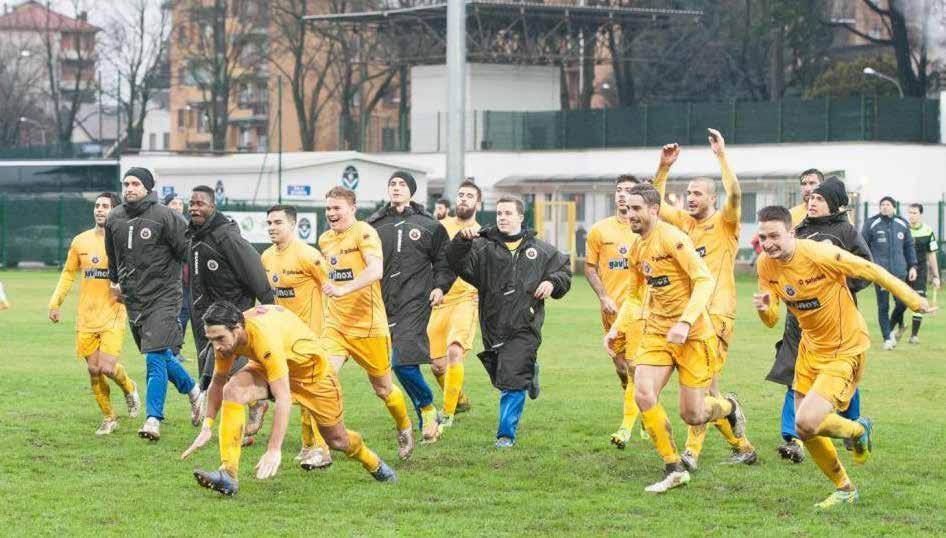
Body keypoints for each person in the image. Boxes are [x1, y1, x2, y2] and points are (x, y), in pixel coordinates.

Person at [754, 205, 933, 508]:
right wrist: (765, 308)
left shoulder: (819, 254)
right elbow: (771, 319)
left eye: (775, 236)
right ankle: (845, 487)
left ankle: (858, 430)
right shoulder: (765, 264)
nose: (768, 243)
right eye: (763, 237)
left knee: (808, 420)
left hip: (846, 347)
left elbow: (872, 270)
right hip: (810, 350)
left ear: (792, 232)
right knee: (804, 428)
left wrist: (913, 299)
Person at [604, 184, 747, 493]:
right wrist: (617, 327)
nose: (630, 215)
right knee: (643, 393)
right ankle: (674, 467)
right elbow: (635, 293)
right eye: (627, 209)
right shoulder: (637, 248)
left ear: (654, 210)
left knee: (692, 413)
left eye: (636, 208)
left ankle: (728, 407)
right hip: (658, 332)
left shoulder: (673, 239)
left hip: (694, 334)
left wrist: (685, 321)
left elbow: (704, 280)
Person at [181, 302, 395, 495]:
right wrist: (207, 425)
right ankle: (228, 473)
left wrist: (274, 450)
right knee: (233, 390)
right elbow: (218, 381)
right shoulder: (228, 338)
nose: (216, 346)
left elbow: (283, 397)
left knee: (337, 440)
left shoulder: (264, 339)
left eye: (219, 339)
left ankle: (373, 462)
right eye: (211, 339)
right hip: (275, 366)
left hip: (313, 376)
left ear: (237, 328)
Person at [651, 131, 757, 470]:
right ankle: (742, 445)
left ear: (712, 198)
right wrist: (663, 168)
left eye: (697, 193)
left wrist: (722, 156)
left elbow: (737, 195)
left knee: (701, 385)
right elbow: (654, 201)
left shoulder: (725, 223)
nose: (691, 197)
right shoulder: (684, 223)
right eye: (688, 193)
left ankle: (692, 453)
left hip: (719, 314)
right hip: (692, 317)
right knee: (706, 386)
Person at [447, 196, 571, 448]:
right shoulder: (482, 247)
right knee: (503, 377)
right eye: (499, 213)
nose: (502, 217)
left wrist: (552, 282)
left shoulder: (541, 249)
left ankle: (505, 435)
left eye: (507, 213)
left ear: (520, 217)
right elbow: (456, 263)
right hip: (493, 326)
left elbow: (564, 271)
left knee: (513, 379)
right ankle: (530, 372)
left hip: (526, 326)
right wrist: (461, 241)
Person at [766, 177, 871, 463]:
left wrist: (835, 287)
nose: (811, 202)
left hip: (835, 323)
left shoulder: (846, 232)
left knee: (841, 383)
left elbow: (865, 268)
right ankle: (793, 436)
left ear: (834, 204)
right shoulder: (798, 230)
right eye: (810, 197)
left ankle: (855, 427)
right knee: (794, 377)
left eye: (819, 198)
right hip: (799, 320)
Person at [318, 186, 415, 460]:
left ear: (352, 208)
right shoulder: (325, 240)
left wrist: (343, 290)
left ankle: (404, 425)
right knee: (321, 379)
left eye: (337, 208)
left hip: (369, 326)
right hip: (335, 325)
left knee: (383, 389)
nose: (331, 213)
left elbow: (376, 270)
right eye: (328, 208)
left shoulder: (365, 232)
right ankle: (319, 447)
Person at [104, 167, 200, 441]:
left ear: (147, 187)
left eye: (135, 183)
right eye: (126, 183)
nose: (130, 188)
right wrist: (114, 282)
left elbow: (188, 252)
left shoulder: (166, 216)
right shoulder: (115, 218)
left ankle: (153, 419)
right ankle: (193, 390)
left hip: (165, 298)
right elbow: (113, 256)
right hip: (135, 299)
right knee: (160, 355)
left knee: (155, 357)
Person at [367, 171, 455, 444]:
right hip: (381, 303)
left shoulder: (429, 225)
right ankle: (427, 416)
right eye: (392, 183)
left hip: (416, 301)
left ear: (412, 191)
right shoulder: (373, 225)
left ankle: (428, 409)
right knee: (390, 366)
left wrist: (440, 286)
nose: (395, 188)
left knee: (402, 362)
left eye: (401, 184)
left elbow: (445, 260)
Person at [187, 186, 274, 445]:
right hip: (205, 318)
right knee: (218, 373)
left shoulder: (226, 238)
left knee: (227, 379)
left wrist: (269, 307)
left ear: (213, 206)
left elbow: (256, 274)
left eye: (200, 203)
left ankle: (238, 427)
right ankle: (254, 405)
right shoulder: (192, 236)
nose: (194, 208)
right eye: (191, 203)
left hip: (232, 319)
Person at [48, 192, 141, 435]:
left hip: (113, 313)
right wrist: (55, 302)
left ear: (116, 210)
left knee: (107, 368)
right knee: (93, 369)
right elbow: (69, 273)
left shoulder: (123, 241)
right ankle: (109, 417)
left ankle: (129, 388)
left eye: (106, 206)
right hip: (86, 316)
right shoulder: (80, 241)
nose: (100, 210)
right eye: (97, 206)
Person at [261, 204, 333, 469]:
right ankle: (307, 445)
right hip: (282, 339)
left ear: (292, 225)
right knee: (297, 392)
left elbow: (331, 288)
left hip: (309, 338)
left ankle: (323, 450)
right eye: (269, 223)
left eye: (278, 223)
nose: (272, 228)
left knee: (310, 393)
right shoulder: (267, 257)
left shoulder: (307, 255)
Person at [585, 174, 646, 449]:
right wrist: (603, 296)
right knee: (622, 369)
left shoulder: (644, 229)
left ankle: (627, 427)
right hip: (611, 310)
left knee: (634, 367)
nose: (623, 194)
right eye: (619, 190)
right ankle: (642, 406)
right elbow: (589, 266)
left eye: (629, 190)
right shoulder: (600, 230)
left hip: (639, 310)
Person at [427, 180, 481, 432]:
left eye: (469, 196)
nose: (463, 199)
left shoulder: (481, 234)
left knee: (454, 352)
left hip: (466, 299)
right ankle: (458, 400)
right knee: (437, 365)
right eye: (460, 195)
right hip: (439, 300)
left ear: (477, 203)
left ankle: (446, 414)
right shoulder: (440, 227)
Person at [862, 196, 917, 349]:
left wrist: (913, 266)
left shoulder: (902, 224)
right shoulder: (871, 224)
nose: (884, 207)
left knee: (902, 303)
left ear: (894, 207)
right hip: (880, 273)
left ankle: (891, 328)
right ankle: (887, 338)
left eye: (887, 204)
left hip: (900, 273)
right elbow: (862, 245)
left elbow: (909, 247)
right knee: (883, 306)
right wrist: (868, 266)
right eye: (882, 205)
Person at [900, 203, 940, 344]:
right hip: (903, 270)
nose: (911, 215)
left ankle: (914, 335)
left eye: (915, 213)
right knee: (901, 301)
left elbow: (932, 255)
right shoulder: (903, 229)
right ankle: (899, 326)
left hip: (921, 272)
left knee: (920, 300)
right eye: (910, 212)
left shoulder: (928, 231)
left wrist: (936, 276)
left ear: (920, 214)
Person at [166, 194, 191, 362]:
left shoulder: (188, 226)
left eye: (180, 203)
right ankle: (172, 351)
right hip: (171, 280)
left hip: (188, 279)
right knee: (177, 314)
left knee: (186, 313)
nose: (177, 206)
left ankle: (175, 351)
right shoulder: (164, 225)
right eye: (173, 202)